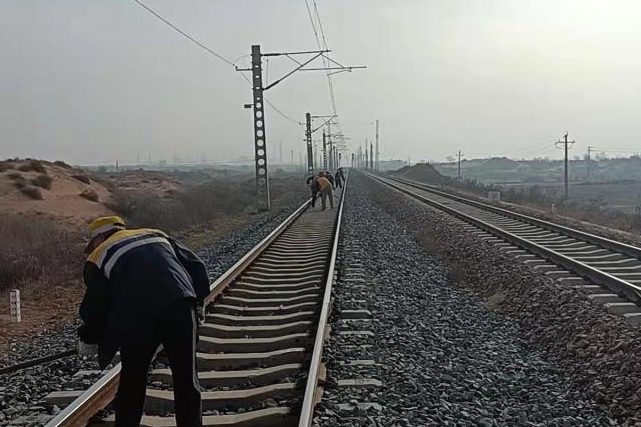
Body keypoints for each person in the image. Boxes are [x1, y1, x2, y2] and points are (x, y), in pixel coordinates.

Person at [77, 216, 209, 427]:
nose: (92, 247)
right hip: (180, 306)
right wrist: (198, 303)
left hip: (138, 316)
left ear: (99, 237)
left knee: (133, 381)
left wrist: (89, 338)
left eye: (92, 242)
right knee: (186, 379)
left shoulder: (98, 255)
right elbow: (197, 266)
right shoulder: (156, 234)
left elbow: (97, 305)